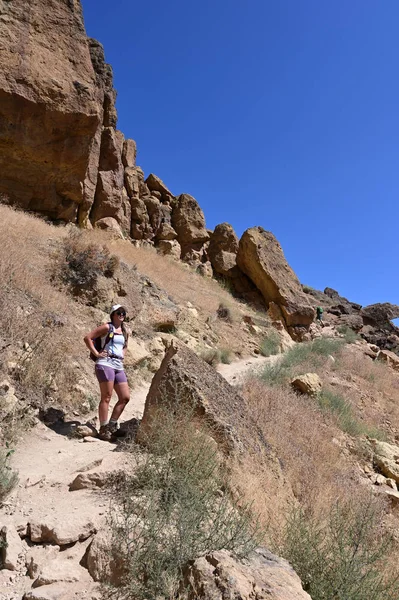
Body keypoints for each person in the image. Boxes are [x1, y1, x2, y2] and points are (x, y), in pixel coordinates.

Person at [84, 304, 130, 442]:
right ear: (113, 314)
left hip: (118, 364)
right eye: (119, 312)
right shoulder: (106, 327)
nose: (122, 314)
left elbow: (125, 345)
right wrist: (97, 354)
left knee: (125, 397)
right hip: (105, 363)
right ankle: (103, 429)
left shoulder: (124, 330)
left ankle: (112, 425)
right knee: (107, 396)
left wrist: (122, 354)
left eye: (124, 312)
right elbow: (87, 338)